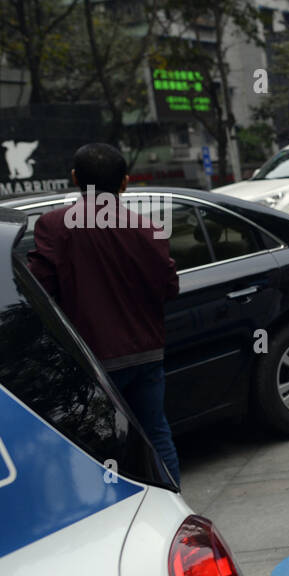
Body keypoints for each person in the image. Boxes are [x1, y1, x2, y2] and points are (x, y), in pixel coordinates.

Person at [26, 143, 182, 486]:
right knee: (156, 433)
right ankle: (174, 502)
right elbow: (169, 287)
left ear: (75, 178)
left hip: (92, 359)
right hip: (146, 354)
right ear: (125, 182)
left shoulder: (54, 225)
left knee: (100, 445)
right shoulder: (147, 226)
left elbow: (39, 290)